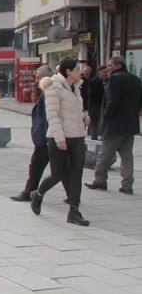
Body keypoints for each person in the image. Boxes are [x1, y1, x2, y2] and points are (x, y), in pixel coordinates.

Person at [30, 57, 91, 226]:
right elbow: (53, 115)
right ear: (68, 71)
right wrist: (59, 138)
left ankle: (74, 211)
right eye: (77, 69)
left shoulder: (76, 88)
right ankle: (38, 194)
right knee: (57, 174)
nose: (81, 72)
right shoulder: (53, 88)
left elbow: (77, 109)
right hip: (58, 138)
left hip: (77, 136)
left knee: (76, 174)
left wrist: (85, 117)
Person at [10, 66, 67, 202]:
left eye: (39, 77)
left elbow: (50, 116)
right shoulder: (51, 90)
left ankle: (29, 192)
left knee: (37, 166)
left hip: (46, 137)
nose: (36, 79)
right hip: (51, 136)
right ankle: (72, 195)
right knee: (63, 168)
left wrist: (48, 137)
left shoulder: (50, 92)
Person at [86, 55, 142, 195]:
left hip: (114, 124)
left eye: (110, 65)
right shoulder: (136, 79)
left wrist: (106, 117)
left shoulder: (115, 79)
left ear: (118, 66)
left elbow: (113, 101)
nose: (108, 68)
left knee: (104, 155)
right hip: (130, 124)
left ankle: (100, 180)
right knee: (127, 156)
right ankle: (127, 185)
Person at [85, 64, 107, 140]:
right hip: (96, 109)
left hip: (105, 109)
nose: (106, 74)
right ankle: (94, 145)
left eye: (106, 72)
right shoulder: (93, 82)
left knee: (104, 129)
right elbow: (91, 97)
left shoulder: (109, 81)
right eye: (104, 72)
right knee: (95, 129)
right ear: (98, 72)